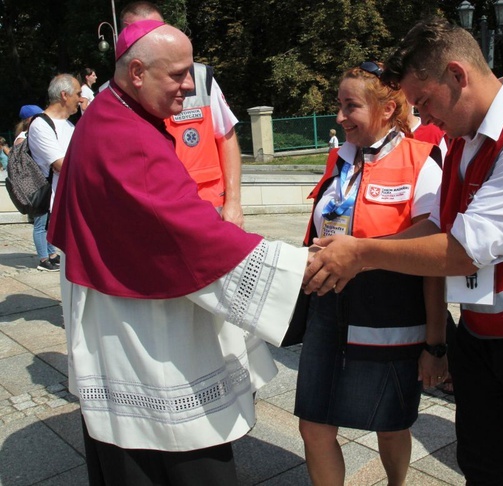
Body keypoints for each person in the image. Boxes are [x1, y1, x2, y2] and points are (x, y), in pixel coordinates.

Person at [305, 17, 503, 485]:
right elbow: (439, 226)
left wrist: (362, 254)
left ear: (457, 74)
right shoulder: (465, 138)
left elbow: (465, 250)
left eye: (425, 102)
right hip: (486, 330)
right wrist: (362, 246)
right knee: (481, 464)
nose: (424, 119)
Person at [48, 20, 307, 486]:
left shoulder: (109, 113)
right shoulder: (127, 140)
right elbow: (192, 238)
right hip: (143, 333)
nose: (192, 85)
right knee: (180, 451)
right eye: (180, 74)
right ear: (139, 72)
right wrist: (303, 270)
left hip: (118, 311)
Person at [294, 61, 445, 486]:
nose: (340, 117)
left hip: (390, 320)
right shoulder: (339, 160)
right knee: (313, 424)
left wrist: (436, 343)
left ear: (386, 108)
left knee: (391, 423)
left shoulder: (421, 161)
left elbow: (435, 258)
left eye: (351, 106)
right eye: (339, 105)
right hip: (327, 313)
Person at [120, 1, 244, 228]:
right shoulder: (114, 96)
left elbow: (226, 138)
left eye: (157, 31)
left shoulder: (200, 78)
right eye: (141, 35)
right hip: (154, 218)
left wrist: (233, 202)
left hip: (208, 209)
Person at [28, 74, 81, 272]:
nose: (81, 98)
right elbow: (61, 164)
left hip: (76, 200)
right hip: (61, 203)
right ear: (64, 95)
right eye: (77, 94)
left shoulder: (68, 125)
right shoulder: (41, 125)